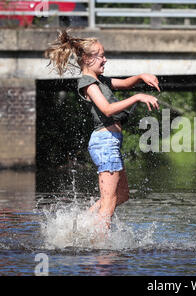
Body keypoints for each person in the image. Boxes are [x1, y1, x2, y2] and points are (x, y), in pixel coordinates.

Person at [45, 30, 160, 229]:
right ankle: (102, 251)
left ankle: (81, 224)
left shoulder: (100, 80)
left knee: (121, 195)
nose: (105, 60)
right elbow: (106, 109)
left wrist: (141, 76)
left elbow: (124, 84)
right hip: (104, 143)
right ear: (87, 59)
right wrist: (138, 97)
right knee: (108, 204)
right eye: (101, 56)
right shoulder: (88, 83)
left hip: (111, 142)